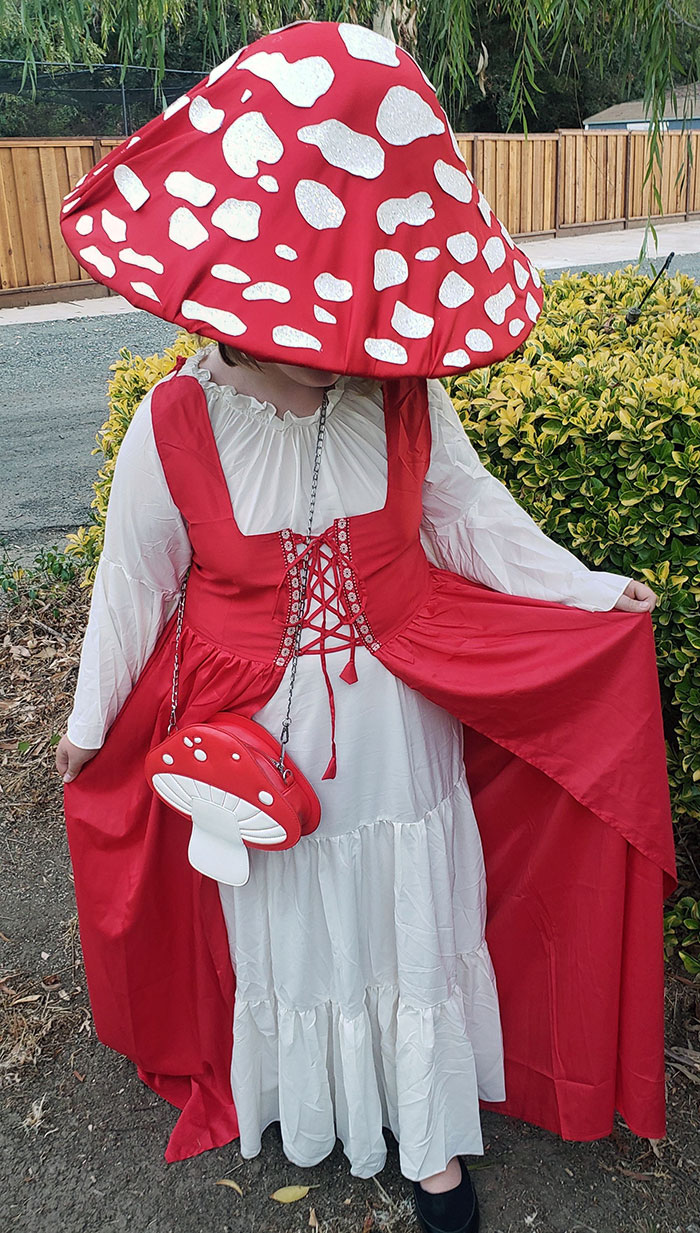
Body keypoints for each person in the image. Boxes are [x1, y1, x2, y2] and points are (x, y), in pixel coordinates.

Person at [56, 20, 676, 1233]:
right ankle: (314, 1098)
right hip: (251, 720)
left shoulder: (403, 395)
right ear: (245, 290)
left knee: (407, 901)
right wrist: (89, 728)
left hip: (398, 708)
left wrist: (585, 589)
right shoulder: (172, 423)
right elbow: (130, 588)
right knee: (289, 911)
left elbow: (469, 519)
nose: (331, 351)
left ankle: (425, 1138)